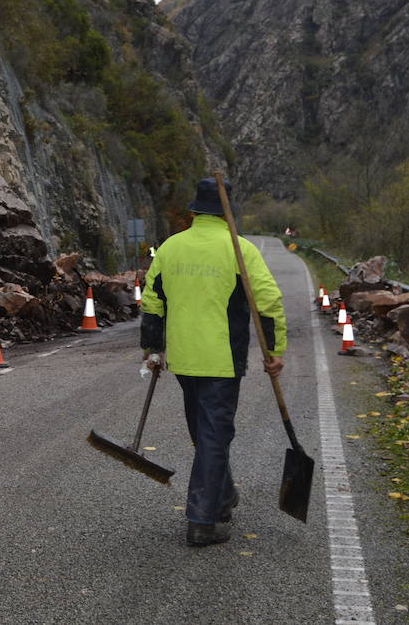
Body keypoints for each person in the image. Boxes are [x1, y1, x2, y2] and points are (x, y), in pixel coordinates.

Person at [140, 176, 287, 547]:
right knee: (213, 434)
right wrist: (274, 351)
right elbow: (268, 303)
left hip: (185, 360)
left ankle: (223, 498)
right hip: (222, 361)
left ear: (194, 212)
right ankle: (202, 520)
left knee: (205, 432)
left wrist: (152, 347)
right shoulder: (239, 250)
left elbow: (152, 300)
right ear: (226, 214)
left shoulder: (170, 248)